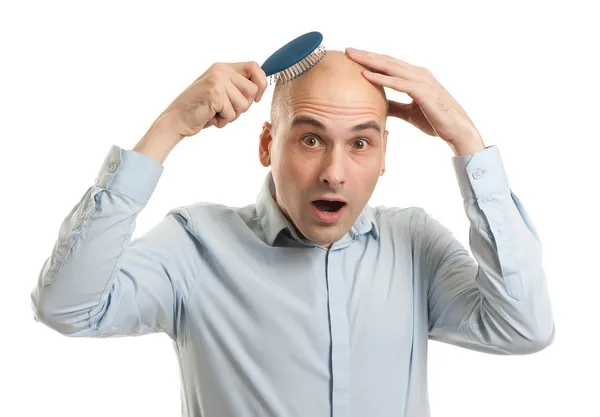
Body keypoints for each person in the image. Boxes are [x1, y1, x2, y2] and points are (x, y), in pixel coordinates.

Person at [30, 48, 555, 417]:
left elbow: (524, 326)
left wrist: (467, 141)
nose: (334, 172)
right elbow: (68, 307)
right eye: (310, 139)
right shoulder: (194, 244)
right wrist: (169, 127)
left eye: (361, 144)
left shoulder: (414, 244)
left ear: (384, 154)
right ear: (266, 146)